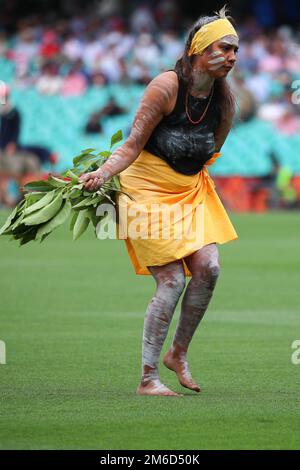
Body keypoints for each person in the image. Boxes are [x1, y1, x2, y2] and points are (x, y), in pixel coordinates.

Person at [79, 6, 239, 397]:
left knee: (210, 268)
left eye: (236, 50)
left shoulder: (224, 101)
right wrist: (102, 174)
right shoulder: (165, 86)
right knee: (170, 281)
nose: (233, 57)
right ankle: (148, 378)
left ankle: (178, 354)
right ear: (199, 49)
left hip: (189, 190)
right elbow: (133, 144)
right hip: (143, 187)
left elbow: (210, 151)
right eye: (225, 47)